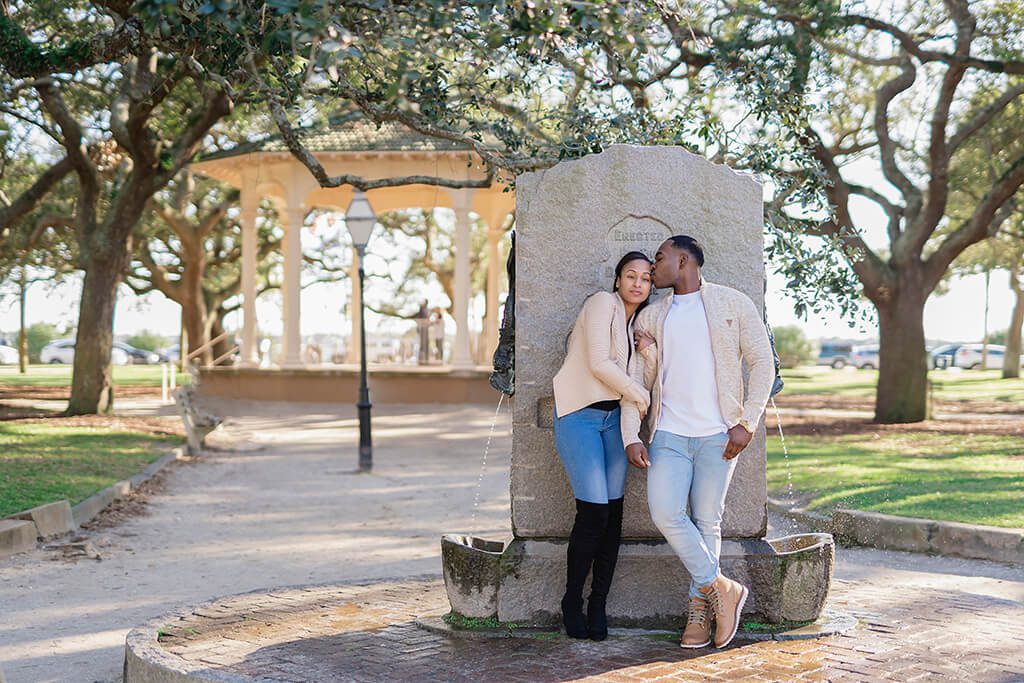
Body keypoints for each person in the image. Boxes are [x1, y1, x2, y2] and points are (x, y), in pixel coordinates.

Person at [621, 235, 773, 650]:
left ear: (683, 259)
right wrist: (631, 433)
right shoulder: (651, 317)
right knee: (666, 511)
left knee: (708, 521)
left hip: (718, 436)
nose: (653, 268)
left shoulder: (733, 303)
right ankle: (721, 587)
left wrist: (747, 422)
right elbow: (638, 381)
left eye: (659, 258)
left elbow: (763, 362)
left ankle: (699, 612)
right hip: (669, 433)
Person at [551, 251, 653, 641]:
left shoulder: (634, 326)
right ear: (617, 280)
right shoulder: (601, 303)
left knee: (612, 517)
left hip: (615, 423)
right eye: (631, 275)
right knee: (592, 514)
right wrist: (639, 392)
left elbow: (642, 367)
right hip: (579, 415)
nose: (638, 284)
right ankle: (571, 602)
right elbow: (597, 363)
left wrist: (645, 350)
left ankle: (599, 603)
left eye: (645, 278)